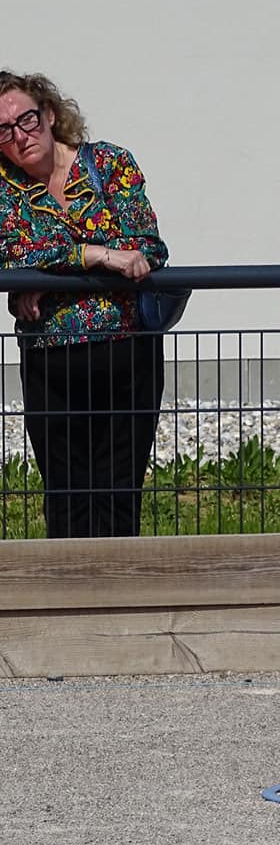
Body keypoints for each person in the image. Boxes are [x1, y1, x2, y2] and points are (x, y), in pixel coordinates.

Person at [0, 70, 169, 538]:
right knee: (65, 498)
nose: (20, 136)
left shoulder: (110, 164)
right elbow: (11, 256)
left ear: (50, 114)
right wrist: (97, 256)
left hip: (127, 352)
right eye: (4, 130)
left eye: (27, 119)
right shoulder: (5, 191)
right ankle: (68, 588)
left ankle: (119, 587)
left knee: (120, 494)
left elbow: (147, 248)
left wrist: (45, 279)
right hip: (50, 362)